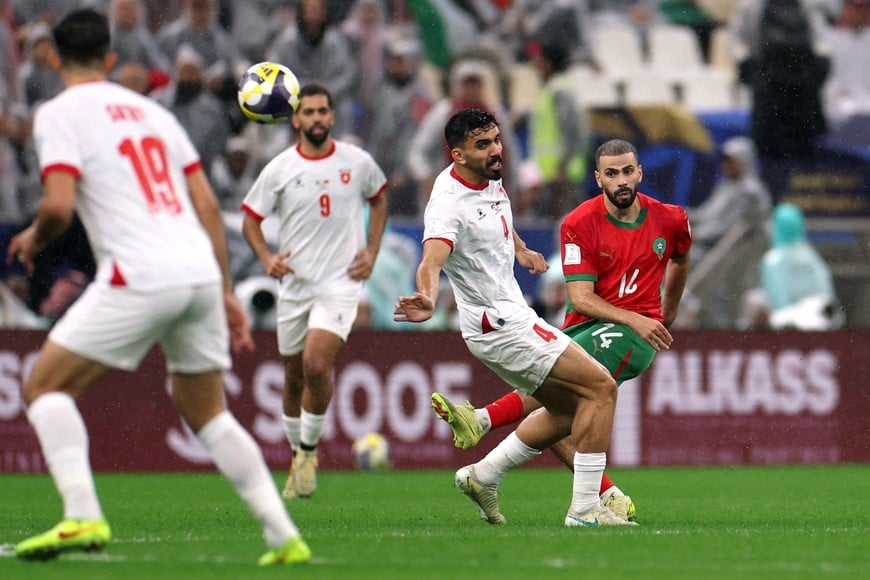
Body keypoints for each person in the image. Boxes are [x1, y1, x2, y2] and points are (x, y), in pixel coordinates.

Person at [7, 9, 310, 566]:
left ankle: (81, 514)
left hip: (139, 272)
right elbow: (207, 207)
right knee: (208, 413)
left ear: (51, 58)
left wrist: (33, 237)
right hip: (196, 270)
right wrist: (223, 289)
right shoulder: (155, 113)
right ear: (111, 57)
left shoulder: (58, 113)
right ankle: (282, 535)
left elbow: (58, 205)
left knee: (44, 387)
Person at [395, 110, 648, 528]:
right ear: (458, 155)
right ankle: (586, 507)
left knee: (567, 408)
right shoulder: (447, 205)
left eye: (496, 139)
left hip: (506, 317)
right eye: (483, 145)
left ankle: (483, 475)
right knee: (601, 388)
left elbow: (494, 216)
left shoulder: (487, 177)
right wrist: (427, 295)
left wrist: (520, 248)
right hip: (500, 326)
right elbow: (432, 258)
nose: (496, 150)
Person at [427, 137, 692, 524]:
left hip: (633, 337)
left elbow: (681, 258)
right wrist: (635, 317)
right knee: (565, 407)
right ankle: (485, 473)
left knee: (588, 393)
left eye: (627, 171)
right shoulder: (578, 223)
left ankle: (489, 427)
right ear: (598, 178)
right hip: (585, 325)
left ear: (640, 173)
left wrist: (666, 313)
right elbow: (580, 298)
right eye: (612, 173)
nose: (621, 180)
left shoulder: (671, 218)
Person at [241, 82, 388, 499]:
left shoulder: (357, 162)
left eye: (323, 111)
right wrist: (266, 258)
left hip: (340, 283)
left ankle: (308, 453)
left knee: (315, 364)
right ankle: (298, 459)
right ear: (296, 119)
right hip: (295, 284)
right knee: (292, 378)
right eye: (309, 112)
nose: (317, 118)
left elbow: (378, 199)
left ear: (332, 116)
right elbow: (250, 220)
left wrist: (372, 250)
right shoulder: (280, 168)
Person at [689, 136, 772, 264]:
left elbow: (727, 227)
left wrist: (695, 234)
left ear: (743, 161)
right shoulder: (726, 187)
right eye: (725, 161)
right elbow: (706, 214)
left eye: (730, 161)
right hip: (711, 247)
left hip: (730, 255)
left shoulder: (750, 191)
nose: (725, 165)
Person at [760, 202, 843, 330]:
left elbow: (780, 304)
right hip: (800, 321)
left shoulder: (773, 260)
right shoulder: (811, 255)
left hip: (806, 321)